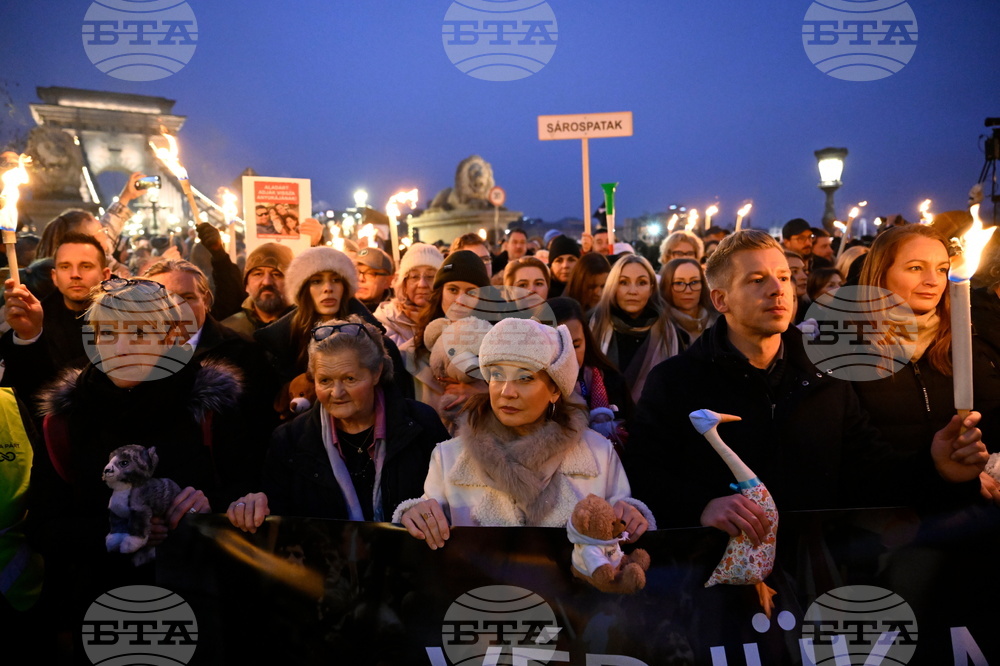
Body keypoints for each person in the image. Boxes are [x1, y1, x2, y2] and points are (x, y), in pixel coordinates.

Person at [626, 230, 989, 535]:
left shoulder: (827, 370)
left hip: (816, 566)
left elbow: (869, 470)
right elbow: (645, 474)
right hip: (718, 573)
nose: (777, 289)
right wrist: (701, 507)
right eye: (757, 280)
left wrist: (937, 469)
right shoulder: (676, 381)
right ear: (721, 299)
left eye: (783, 277)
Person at [36, 278, 253, 636]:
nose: (120, 348)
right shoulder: (65, 420)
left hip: (203, 605)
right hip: (103, 610)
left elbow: (252, 489)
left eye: (138, 333)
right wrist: (115, 532)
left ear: (170, 339)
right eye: (107, 333)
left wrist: (213, 505)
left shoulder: (212, 407)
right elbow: (44, 526)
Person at [394, 317, 655, 547]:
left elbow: (622, 532)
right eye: (497, 375)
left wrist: (630, 517)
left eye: (525, 378)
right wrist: (416, 515)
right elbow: (428, 524)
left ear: (555, 390)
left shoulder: (598, 454)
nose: (507, 391)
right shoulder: (449, 457)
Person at [227, 317, 450, 530]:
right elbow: (277, 516)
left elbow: (449, 501)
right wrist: (252, 507)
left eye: (349, 379)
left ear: (376, 372)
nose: (337, 392)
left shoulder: (421, 423)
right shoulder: (288, 440)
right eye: (325, 380)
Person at [852, 224, 1000, 504]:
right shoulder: (849, 348)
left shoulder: (966, 341)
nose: (933, 280)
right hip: (885, 514)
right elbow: (854, 452)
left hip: (964, 507)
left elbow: (991, 419)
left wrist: (974, 464)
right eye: (916, 268)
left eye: (942, 269)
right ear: (881, 274)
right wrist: (938, 471)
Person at [1, 233, 112, 406]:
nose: (75, 275)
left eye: (86, 266)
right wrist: (29, 335)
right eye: (65, 266)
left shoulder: (128, 321)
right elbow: (25, 393)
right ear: (54, 276)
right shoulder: (37, 319)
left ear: (105, 275)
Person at [402, 250, 491, 423]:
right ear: (440, 292)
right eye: (452, 289)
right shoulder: (409, 355)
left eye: (471, 292)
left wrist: (486, 395)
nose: (460, 299)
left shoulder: (500, 347)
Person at [589, 254, 680, 403]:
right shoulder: (594, 326)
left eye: (641, 282)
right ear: (613, 286)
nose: (633, 291)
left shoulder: (668, 331)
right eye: (623, 282)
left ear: (651, 288)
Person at [549, 297, 633, 451]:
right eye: (558, 345)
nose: (569, 355)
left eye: (576, 345)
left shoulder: (611, 381)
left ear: (586, 340)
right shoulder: (532, 386)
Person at [221, 242, 295, 341]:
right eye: (258, 274)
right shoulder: (228, 332)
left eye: (276, 274)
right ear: (246, 285)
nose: (267, 282)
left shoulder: (306, 328)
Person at [374, 243, 444, 346]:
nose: (422, 284)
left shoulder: (452, 319)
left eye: (430, 276)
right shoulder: (383, 324)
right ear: (404, 284)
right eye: (414, 276)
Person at [658, 257, 718, 345]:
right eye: (679, 283)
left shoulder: (720, 320)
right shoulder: (660, 326)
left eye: (694, 282)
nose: (688, 290)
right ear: (667, 286)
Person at [352, 247, 395, 313]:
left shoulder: (397, 316)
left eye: (370, 273)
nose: (360, 279)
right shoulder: (339, 310)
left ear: (388, 281)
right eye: (356, 272)